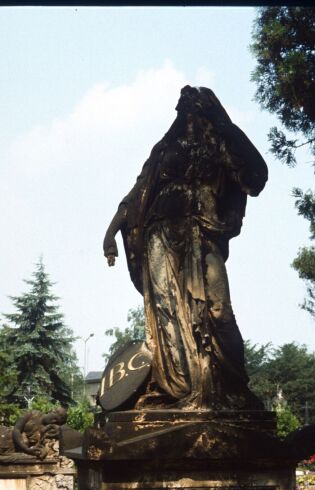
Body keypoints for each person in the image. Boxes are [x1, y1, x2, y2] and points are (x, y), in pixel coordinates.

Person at [103, 85, 268, 410]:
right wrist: (110, 234)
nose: (185, 115)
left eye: (192, 107)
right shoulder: (164, 149)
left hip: (202, 232)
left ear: (207, 110)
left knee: (218, 309)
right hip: (159, 233)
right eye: (182, 109)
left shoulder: (221, 142)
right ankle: (177, 387)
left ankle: (230, 387)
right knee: (166, 312)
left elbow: (255, 175)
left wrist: (227, 129)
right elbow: (135, 196)